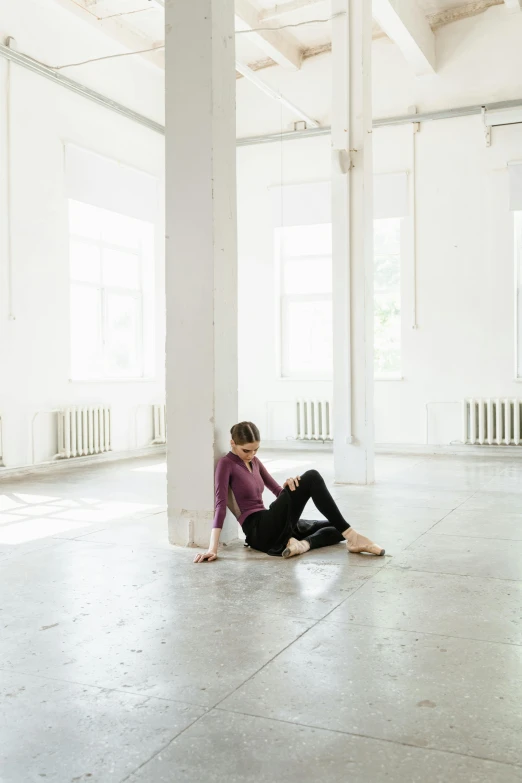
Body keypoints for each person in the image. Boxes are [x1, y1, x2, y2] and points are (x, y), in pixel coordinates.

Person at [194, 421, 384, 563]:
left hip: (271, 520)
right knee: (312, 476)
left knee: (337, 528)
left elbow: (277, 491)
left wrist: (289, 487)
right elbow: (220, 505)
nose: (252, 455)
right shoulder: (226, 464)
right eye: (247, 451)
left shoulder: (255, 462)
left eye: (256, 450)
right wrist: (212, 548)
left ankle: (302, 545)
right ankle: (355, 539)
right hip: (258, 529)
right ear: (232, 443)